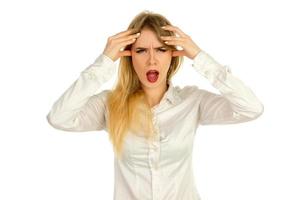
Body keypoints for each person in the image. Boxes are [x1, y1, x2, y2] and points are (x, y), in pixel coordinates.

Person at [46, 10, 264, 200]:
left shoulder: (192, 101)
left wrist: (199, 56)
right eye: (141, 50)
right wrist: (103, 62)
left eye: (160, 49)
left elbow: (251, 108)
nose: (152, 60)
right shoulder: (110, 104)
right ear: (130, 56)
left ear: (173, 55)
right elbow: (59, 118)